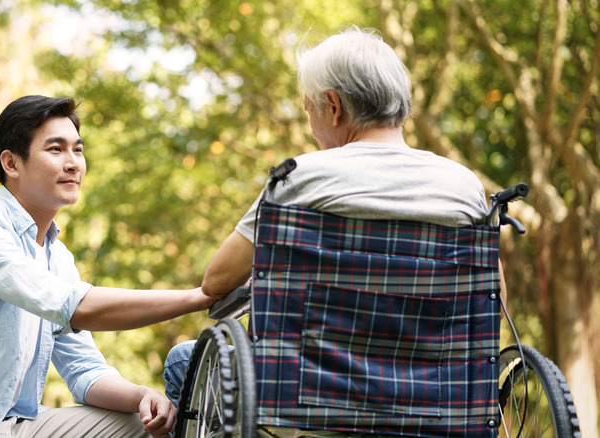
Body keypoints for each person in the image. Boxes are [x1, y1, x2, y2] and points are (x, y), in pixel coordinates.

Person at [163, 25, 506, 411]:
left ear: (333, 105)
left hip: (307, 397)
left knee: (182, 361)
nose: (311, 124)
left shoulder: (301, 178)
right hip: (433, 399)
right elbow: (494, 300)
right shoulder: (464, 186)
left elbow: (217, 282)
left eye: (309, 108)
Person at [0, 95, 216, 438]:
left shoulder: (58, 258)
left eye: (77, 150)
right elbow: (75, 307)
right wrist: (199, 297)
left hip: (10, 425)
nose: (73, 163)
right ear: (11, 163)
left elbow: (85, 371)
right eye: (56, 149)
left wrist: (142, 395)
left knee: (149, 423)